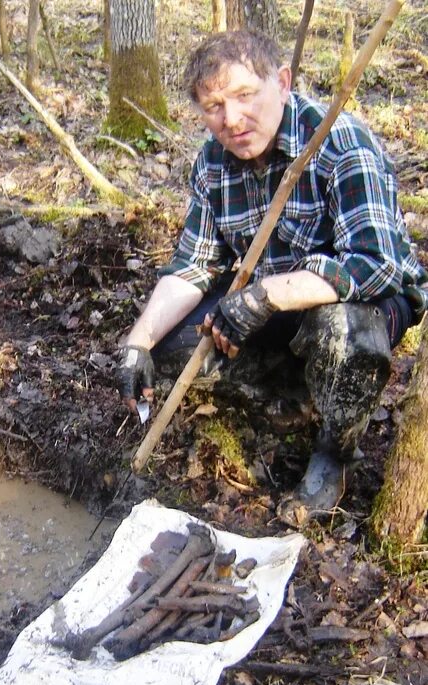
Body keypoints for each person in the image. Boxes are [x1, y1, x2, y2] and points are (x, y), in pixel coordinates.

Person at [115, 29, 427, 526]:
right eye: (214, 105)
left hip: (360, 305)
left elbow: (377, 265)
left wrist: (268, 294)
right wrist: (139, 341)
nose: (231, 120)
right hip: (267, 301)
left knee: (344, 337)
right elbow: (193, 266)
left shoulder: (340, 142)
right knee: (172, 345)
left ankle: (333, 450)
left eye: (244, 96)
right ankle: (295, 390)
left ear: (281, 83)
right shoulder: (213, 164)